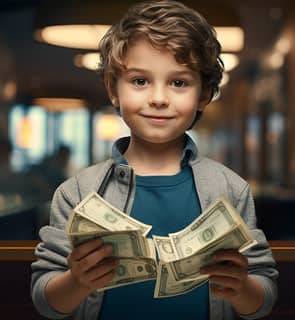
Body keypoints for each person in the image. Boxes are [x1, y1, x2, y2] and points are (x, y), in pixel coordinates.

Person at [31, 1, 278, 319]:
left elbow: (263, 297)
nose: (158, 98)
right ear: (113, 89)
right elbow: (45, 299)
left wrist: (242, 287)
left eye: (179, 82)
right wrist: (76, 282)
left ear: (204, 94)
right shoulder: (76, 192)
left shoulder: (231, 189)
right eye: (139, 81)